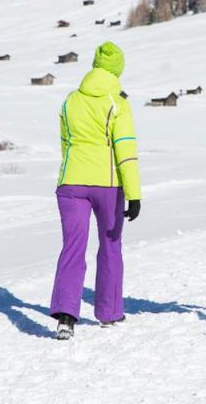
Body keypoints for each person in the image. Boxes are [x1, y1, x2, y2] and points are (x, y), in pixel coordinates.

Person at [48, 41, 141, 341]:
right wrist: (134, 193)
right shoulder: (118, 103)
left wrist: (72, 171)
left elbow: (66, 144)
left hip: (71, 182)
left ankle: (65, 317)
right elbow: (125, 151)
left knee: (73, 247)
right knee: (110, 246)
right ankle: (110, 312)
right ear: (118, 70)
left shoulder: (70, 101)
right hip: (108, 185)